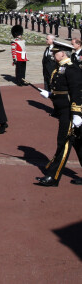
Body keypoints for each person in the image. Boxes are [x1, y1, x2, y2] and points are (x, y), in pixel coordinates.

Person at [35, 41, 82, 187]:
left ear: (63, 53)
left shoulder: (71, 69)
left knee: (64, 142)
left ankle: (53, 177)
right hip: (63, 110)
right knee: (79, 144)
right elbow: (61, 89)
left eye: (56, 52)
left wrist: (77, 113)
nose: (53, 54)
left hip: (70, 112)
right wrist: (50, 94)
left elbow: (76, 92)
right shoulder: (61, 68)